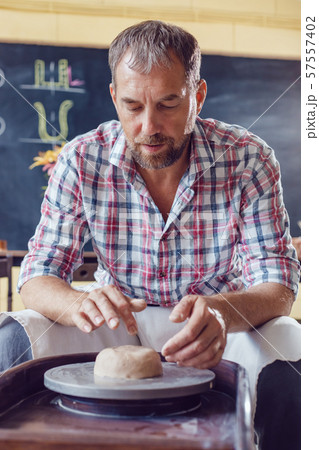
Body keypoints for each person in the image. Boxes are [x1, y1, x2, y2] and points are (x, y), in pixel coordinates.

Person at [0, 21, 300, 449]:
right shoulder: (81, 159)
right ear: (113, 98)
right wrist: (78, 302)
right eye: (132, 106)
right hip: (116, 327)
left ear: (197, 96)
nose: (148, 126)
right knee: (12, 335)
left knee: (292, 343)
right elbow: (37, 276)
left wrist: (219, 313)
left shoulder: (248, 158)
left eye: (168, 104)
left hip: (219, 330)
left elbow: (279, 287)